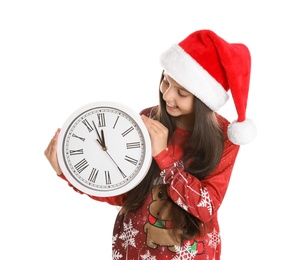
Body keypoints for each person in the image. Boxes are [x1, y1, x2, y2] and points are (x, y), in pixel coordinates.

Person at [45, 29, 256, 259]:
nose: (167, 96)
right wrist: (68, 173)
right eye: (165, 81)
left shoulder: (224, 137)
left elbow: (205, 208)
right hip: (134, 250)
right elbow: (123, 193)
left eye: (181, 92)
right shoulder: (147, 119)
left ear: (204, 99)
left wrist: (164, 155)